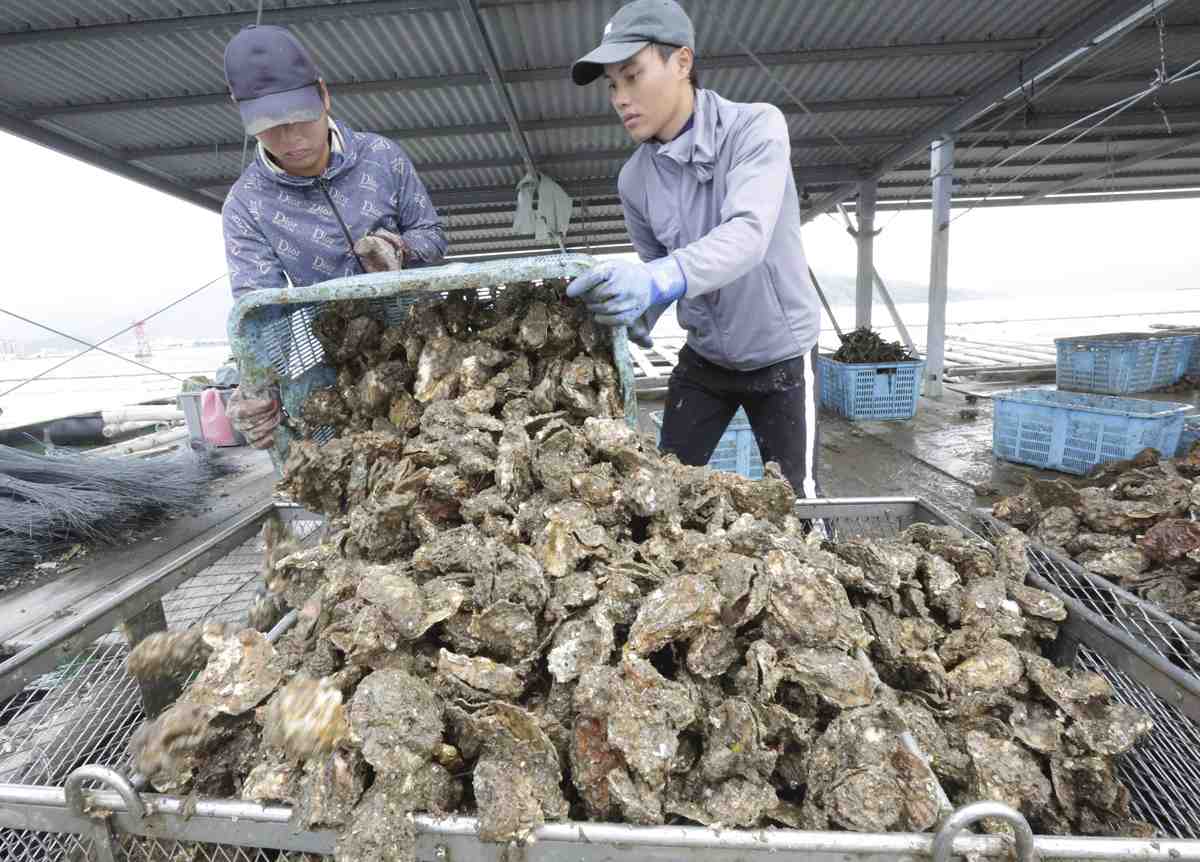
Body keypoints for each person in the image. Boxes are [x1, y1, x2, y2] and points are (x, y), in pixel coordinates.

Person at [566, 0, 824, 501]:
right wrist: (645, 306)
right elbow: (657, 264)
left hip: (781, 356)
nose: (621, 98)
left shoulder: (755, 128)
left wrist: (657, 282)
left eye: (633, 75)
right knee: (660, 495)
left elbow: (747, 236)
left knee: (800, 503)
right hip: (705, 358)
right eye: (613, 85)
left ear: (682, 63)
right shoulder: (635, 179)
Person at [219, 24, 447, 448]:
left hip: (424, 347)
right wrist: (255, 387)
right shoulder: (246, 204)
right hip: (336, 362)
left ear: (323, 95)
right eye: (271, 125)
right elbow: (259, 311)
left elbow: (432, 236)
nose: (291, 139)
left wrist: (399, 248)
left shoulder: (382, 157)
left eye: (301, 118)